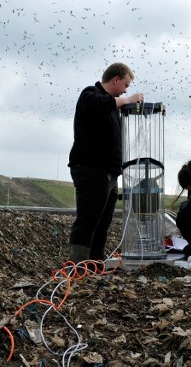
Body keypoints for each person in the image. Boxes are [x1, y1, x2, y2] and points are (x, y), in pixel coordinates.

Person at [67, 62, 144, 263]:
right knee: (88, 218)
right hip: (91, 168)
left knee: (103, 222)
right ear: (116, 80)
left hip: (109, 172)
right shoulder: (90, 94)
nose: (126, 89)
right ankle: (78, 267)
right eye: (125, 85)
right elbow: (98, 104)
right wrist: (126, 99)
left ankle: (95, 264)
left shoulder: (113, 107)